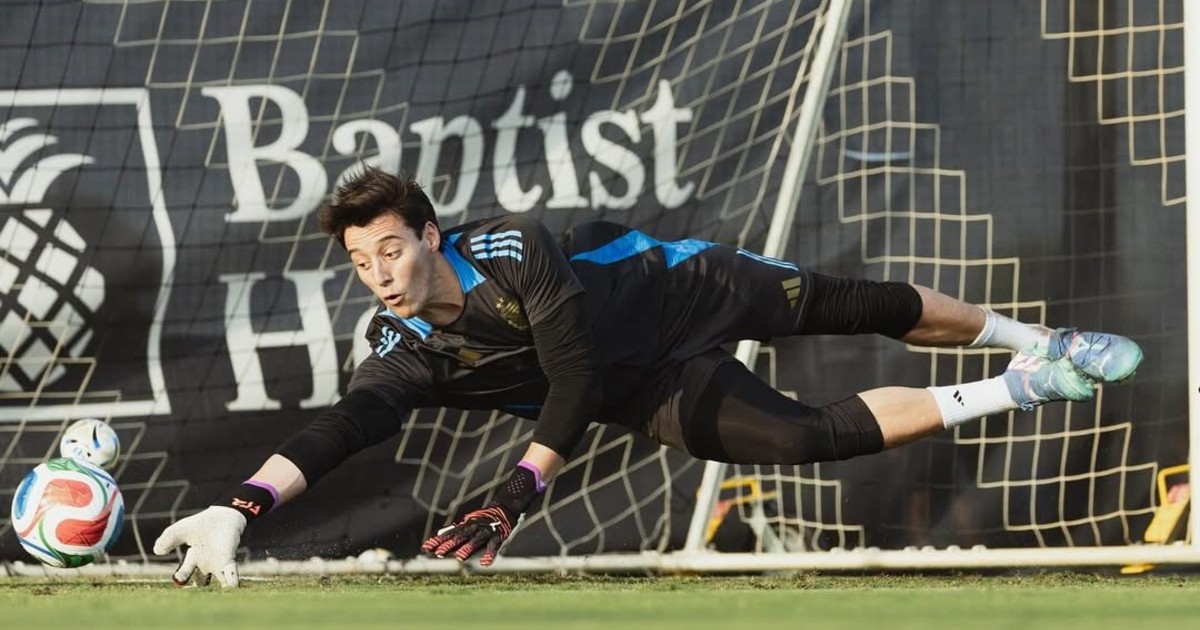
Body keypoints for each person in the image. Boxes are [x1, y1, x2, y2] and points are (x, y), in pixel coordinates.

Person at [153, 167, 1142, 586]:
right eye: (361, 261)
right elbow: (350, 422)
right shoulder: (398, 341)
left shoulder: (513, 251)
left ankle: (1035, 336)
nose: (379, 273)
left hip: (683, 293)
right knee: (802, 437)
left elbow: (570, 379)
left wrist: (516, 493)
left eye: (391, 250)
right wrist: (241, 508)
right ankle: (1023, 387)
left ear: (430, 237)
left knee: (859, 303)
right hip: (645, 391)